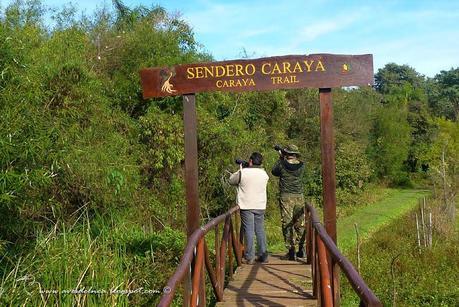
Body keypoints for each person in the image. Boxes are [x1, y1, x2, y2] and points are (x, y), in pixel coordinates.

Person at [229, 152, 269, 264]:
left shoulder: (243, 172)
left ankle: (250, 256)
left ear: (250, 161)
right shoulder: (264, 174)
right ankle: (263, 255)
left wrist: (240, 169)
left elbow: (231, 180)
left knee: (249, 231)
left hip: (246, 205)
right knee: (260, 230)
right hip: (260, 205)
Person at [271, 144, 306, 260]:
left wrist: (281, 158)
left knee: (287, 223)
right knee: (300, 224)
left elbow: (274, 171)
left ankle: (291, 251)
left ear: (286, 154)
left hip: (286, 197)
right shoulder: (302, 166)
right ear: (296, 154)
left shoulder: (281, 165)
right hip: (299, 197)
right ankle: (302, 249)